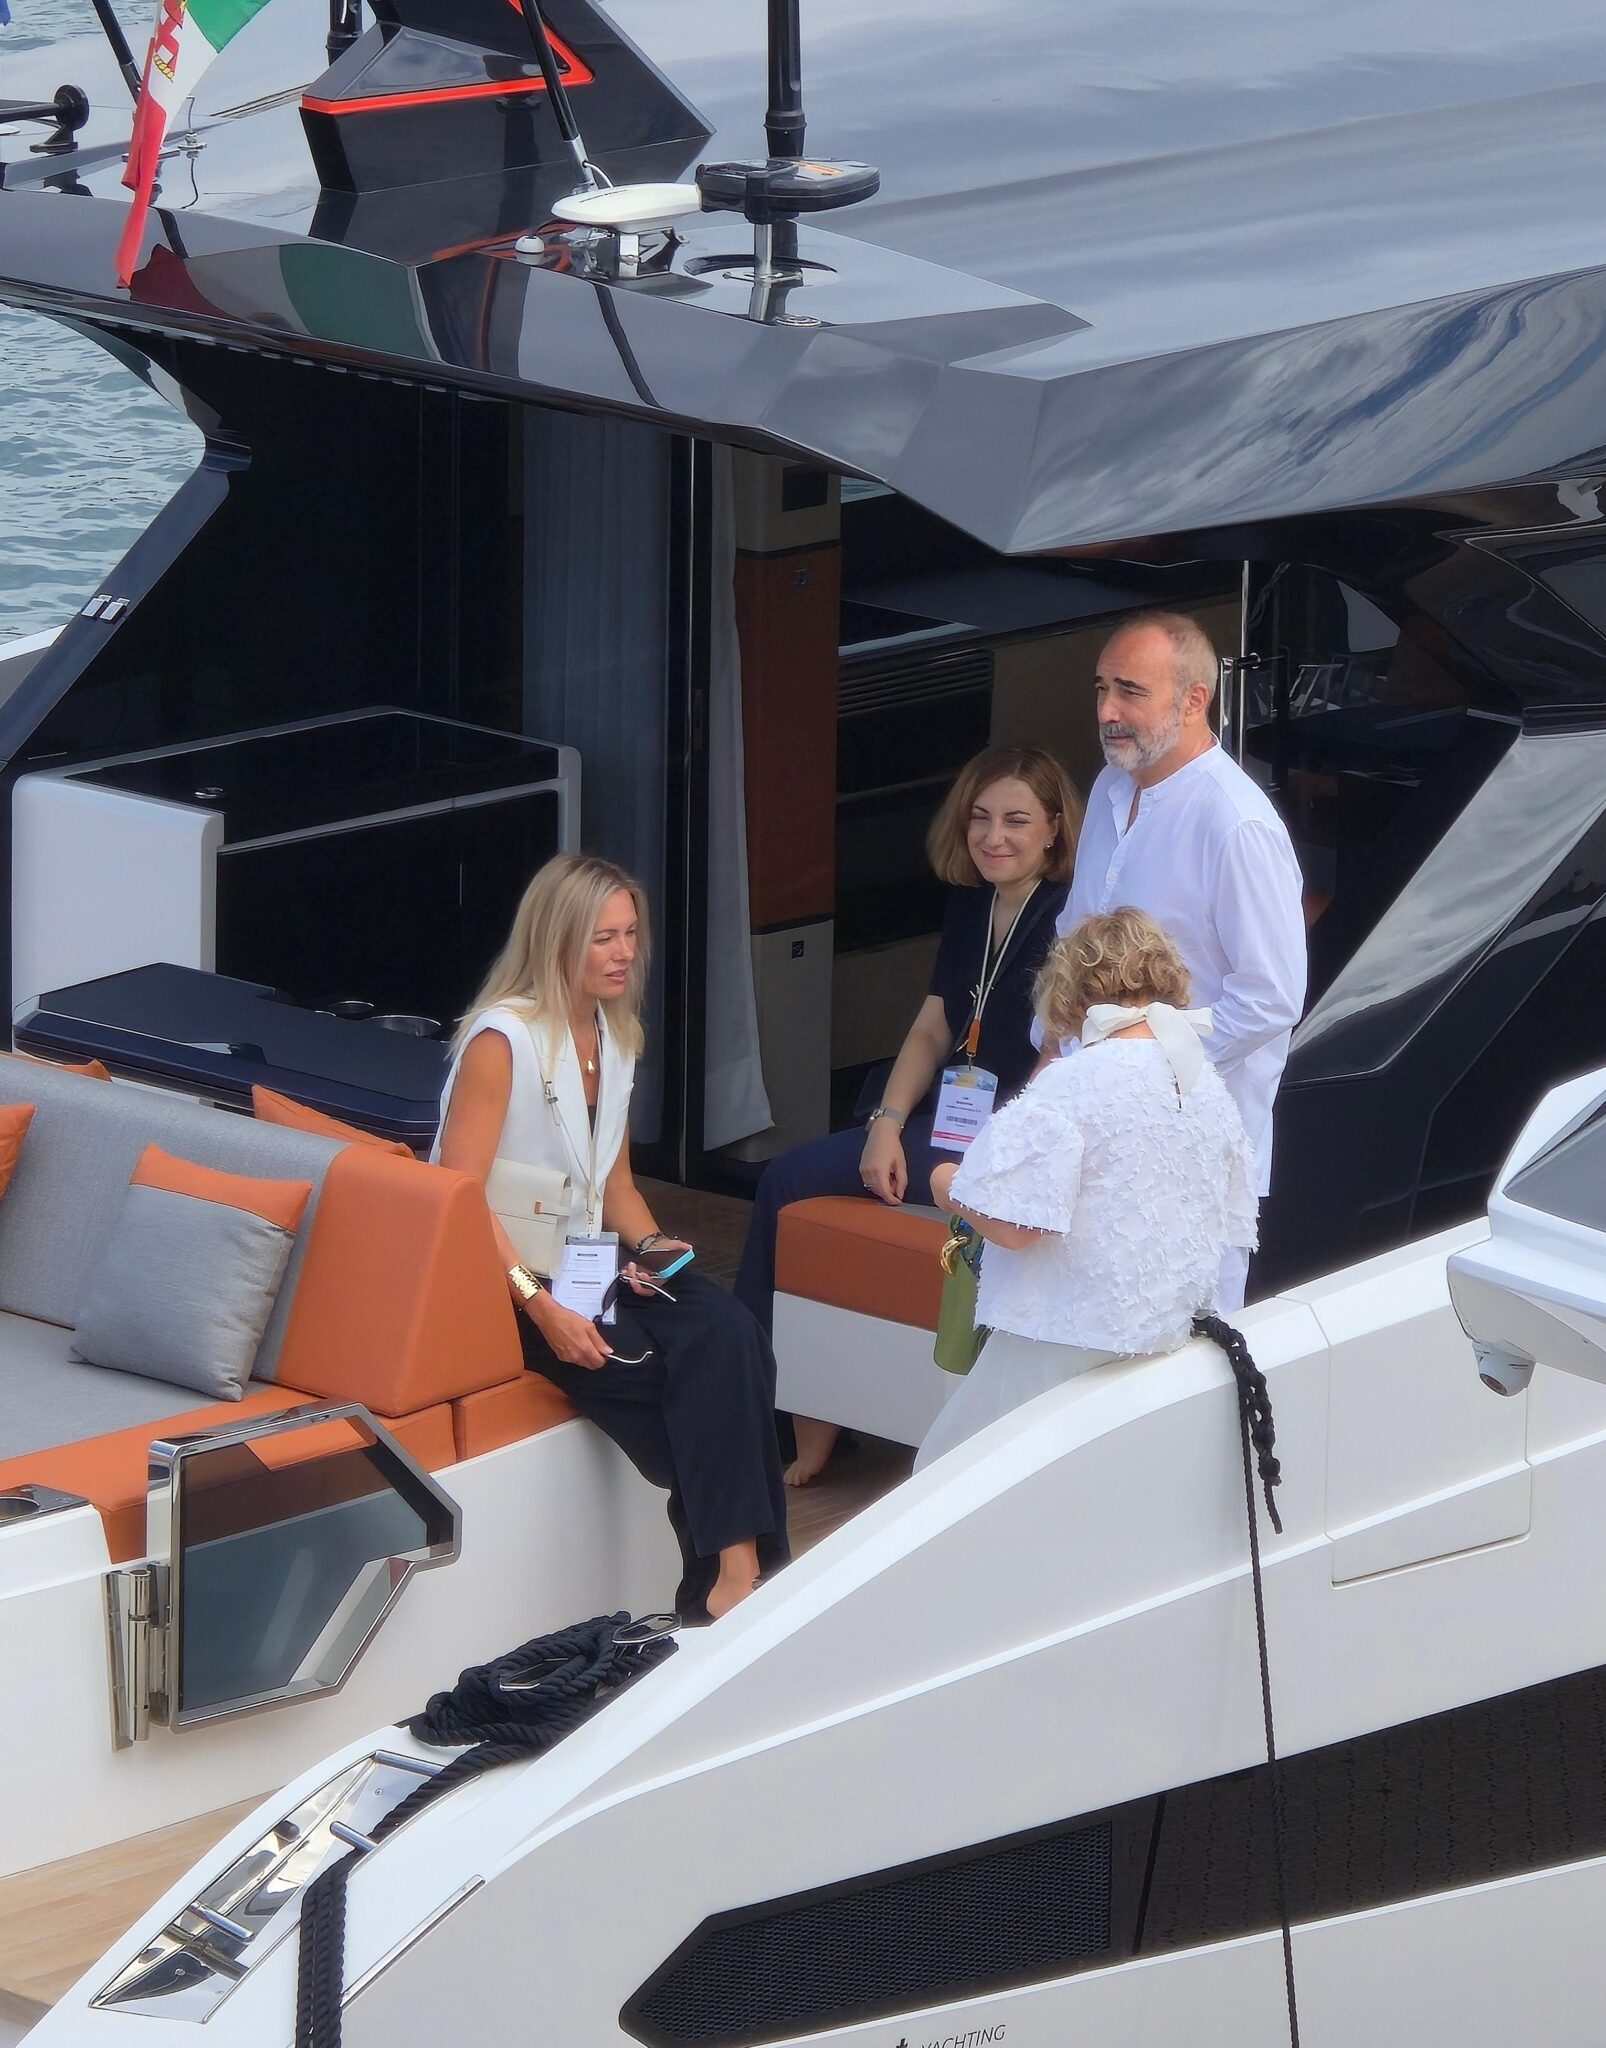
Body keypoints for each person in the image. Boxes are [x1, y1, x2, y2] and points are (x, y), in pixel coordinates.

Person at [435, 852, 788, 1621]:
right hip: (503, 1279)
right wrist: (540, 1307)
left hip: (589, 1260)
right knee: (666, 1376)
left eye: (630, 934)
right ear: (556, 940)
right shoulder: (503, 1041)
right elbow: (457, 1200)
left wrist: (657, 1249)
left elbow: (615, 1185)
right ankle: (736, 1578)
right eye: (604, 938)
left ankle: (730, 1578)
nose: (625, 952)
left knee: (731, 1331)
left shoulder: (615, 1035)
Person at [733, 744, 1083, 1484]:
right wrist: (887, 1123)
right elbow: (932, 1028)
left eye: (1016, 820)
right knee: (784, 1181)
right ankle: (763, 1401)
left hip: (1001, 1141)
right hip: (940, 1126)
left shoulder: (1070, 918)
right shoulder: (970, 906)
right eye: (981, 818)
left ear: (1055, 828)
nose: (993, 836)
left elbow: (1061, 1056)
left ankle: (787, 1418)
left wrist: (1001, 1146)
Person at [916, 909, 1258, 1471]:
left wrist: (946, 1184)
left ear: (1069, 988)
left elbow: (1016, 1226)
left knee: (943, 1475)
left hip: (1058, 1344)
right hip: (1164, 1346)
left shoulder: (1072, 1083)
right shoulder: (1205, 1088)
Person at [1043, 610, 1306, 1308]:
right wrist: (1050, 1063)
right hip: (1087, 1129)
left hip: (1192, 1144)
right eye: (1101, 689)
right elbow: (1073, 941)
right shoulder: (1110, 789)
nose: (1107, 711)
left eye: (1130, 691)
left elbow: (1271, 999)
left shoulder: (1237, 823)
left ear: (1194, 700)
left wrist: (1141, 1071)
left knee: (1185, 1347)